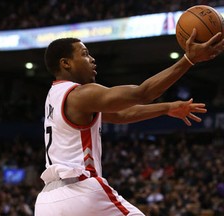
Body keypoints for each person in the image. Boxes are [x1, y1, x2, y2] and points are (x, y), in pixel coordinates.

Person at [35, 30, 224, 216]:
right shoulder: (80, 94)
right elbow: (142, 93)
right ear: (65, 63)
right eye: (84, 54)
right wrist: (189, 59)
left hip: (47, 202)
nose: (92, 59)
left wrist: (166, 108)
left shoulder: (54, 96)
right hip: (80, 191)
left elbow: (120, 115)